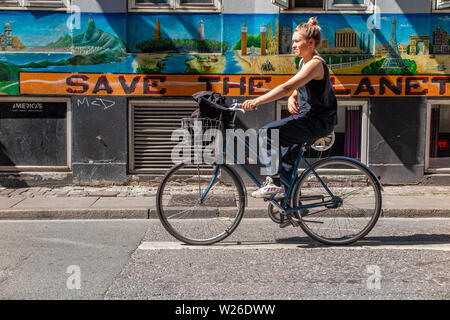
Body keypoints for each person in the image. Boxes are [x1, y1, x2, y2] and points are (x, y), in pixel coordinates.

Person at [242, 17, 337, 198]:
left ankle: (274, 182)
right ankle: (292, 204)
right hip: (309, 118)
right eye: (292, 41)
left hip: (316, 120)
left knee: (267, 133)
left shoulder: (315, 64)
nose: (292, 45)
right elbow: (299, 86)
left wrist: (256, 101)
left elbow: (286, 87)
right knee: (285, 160)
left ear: (310, 43)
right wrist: (293, 96)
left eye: (296, 41)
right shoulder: (304, 62)